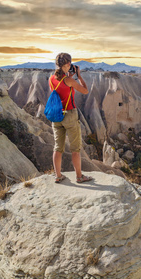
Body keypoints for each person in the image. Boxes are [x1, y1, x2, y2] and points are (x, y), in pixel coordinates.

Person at [49, 52, 93, 183]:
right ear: (68, 64)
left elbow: (59, 92)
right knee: (75, 149)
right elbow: (85, 90)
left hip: (56, 115)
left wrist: (69, 77)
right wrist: (79, 76)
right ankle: (79, 176)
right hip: (69, 115)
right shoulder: (69, 80)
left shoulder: (51, 78)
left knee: (58, 147)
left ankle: (58, 175)